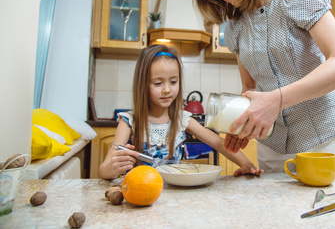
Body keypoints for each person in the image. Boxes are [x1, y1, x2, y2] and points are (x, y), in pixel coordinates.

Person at [191, 0, 335, 174]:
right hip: (272, 150)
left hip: (327, 142)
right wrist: (241, 127)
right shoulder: (235, 28)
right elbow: (250, 91)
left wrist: (276, 99)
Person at [99, 44, 263, 179]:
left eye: (173, 81)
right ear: (142, 84)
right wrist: (113, 168)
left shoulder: (181, 119)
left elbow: (219, 144)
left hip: (173, 196)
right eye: (157, 83)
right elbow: (103, 170)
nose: (166, 90)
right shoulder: (129, 121)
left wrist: (247, 165)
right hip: (139, 192)